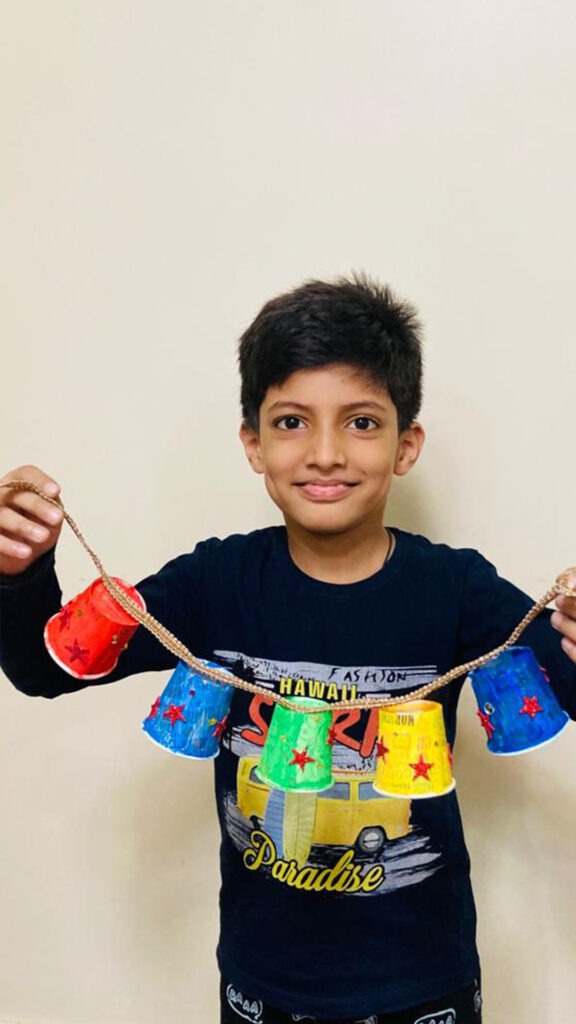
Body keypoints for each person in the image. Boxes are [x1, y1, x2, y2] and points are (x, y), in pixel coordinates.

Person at [1, 275, 575, 1024]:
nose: (328, 453)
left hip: (423, 984)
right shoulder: (215, 584)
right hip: (264, 986)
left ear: (407, 446)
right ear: (253, 444)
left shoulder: (455, 590)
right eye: (292, 421)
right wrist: (19, 573)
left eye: (363, 422)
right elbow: (46, 669)